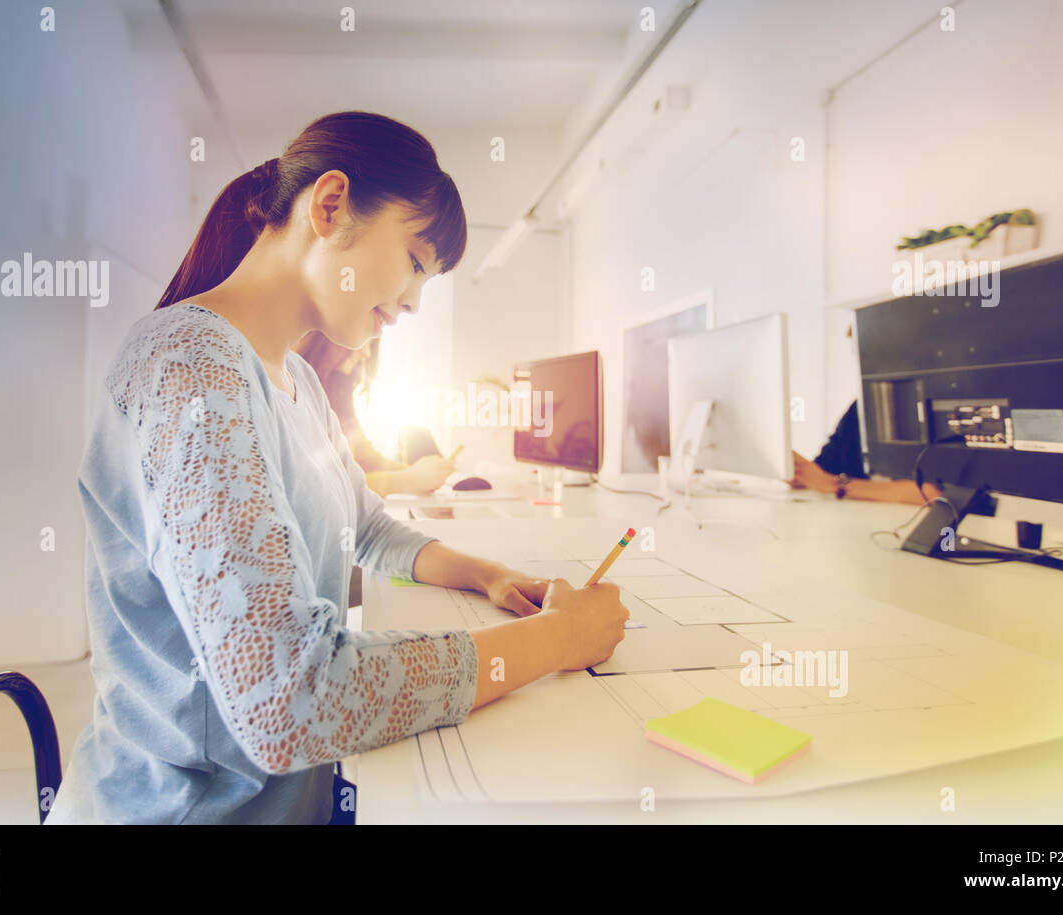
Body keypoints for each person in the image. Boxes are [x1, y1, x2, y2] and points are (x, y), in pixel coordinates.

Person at [46, 111, 628, 825]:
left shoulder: (296, 379)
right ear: (329, 206)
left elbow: (371, 528)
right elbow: (291, 698)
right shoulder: (191, 369)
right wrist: (554, 642)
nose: (414, 301)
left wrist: (489, 574)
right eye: (416, 261)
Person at [292, 330, 456, 496]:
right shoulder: (293, 390)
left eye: (371, 345)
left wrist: (425, 473)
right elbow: (324, 485)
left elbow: (368, 460)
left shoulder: (337, 392)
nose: (366, 353)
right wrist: (408, 479)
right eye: (365, 341)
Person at [789, 400, 940, 505]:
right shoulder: (861, 407)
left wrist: (838, 485)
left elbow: (934, 494)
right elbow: (823, 472)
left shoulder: (932, 406)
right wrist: (794, 470)